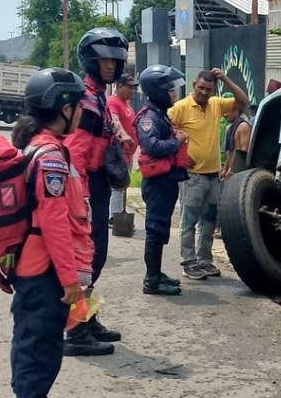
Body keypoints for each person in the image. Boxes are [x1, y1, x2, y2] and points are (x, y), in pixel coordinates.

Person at [8, 68, 95, 398]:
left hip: (36, 267)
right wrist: (70, 281)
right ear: (64, 107)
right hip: (43, 269)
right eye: (77, 105)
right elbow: (55, 224)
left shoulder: (43, 147)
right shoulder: (51, 157)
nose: (80, 112)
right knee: (39, 347)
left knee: (38, 343)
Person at [64, 27, 128, 354]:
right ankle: (75, 333)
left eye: (115, 60)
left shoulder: (98, 95)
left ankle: (88, 319)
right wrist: (81, 198)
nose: (111, 65)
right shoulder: (88, 101)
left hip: (97, 184)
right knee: (87, 261)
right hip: (86, 186)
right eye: (104, 59)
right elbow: (75, 152)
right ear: (91, 60)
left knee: (95, 259)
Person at [169, 68, 248, 279]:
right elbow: (165, 127)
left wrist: (225, 79)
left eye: (209, 89)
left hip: (213, 175)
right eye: (201, 88)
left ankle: (204, 259)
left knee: (209, 221)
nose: (204, 92)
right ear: (194, 85)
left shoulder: (215, 104)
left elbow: (243, 101)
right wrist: (180, 151)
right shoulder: (181, 107)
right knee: (189, 221)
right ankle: (189, 262)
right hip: (192, 175)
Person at [135, 65, 190, 296]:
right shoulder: (148, 118)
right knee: (155, 229)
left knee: (161, 228)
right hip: (157, 184)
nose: (174, 94)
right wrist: (176, 142)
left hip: (166, 181)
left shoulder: (159, 114)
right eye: (169, 89)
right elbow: (151, 145)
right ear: (157, 91)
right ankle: (152, 280)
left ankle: (156, 273)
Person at [106, 73, 139, 223]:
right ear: (119, 86)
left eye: (134, 88)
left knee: (123, 184)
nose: (132, 91)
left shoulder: (127, 104)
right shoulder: (113, 102)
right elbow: (115, 120)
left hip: (128, 153)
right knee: (117, 185)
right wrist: (124, 135)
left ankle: (118, 214)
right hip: (118, 152)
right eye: (129, 87)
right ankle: (114, 216)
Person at [220, 99, 252, 180]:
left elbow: (244, 151)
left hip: (239, 171)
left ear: (236, 111)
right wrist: (225, 170)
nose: (225, 115)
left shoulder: (243, 126)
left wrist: (234, 170)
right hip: (230, 171)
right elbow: (229, 152)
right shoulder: (229, 128)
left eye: (228, 111)